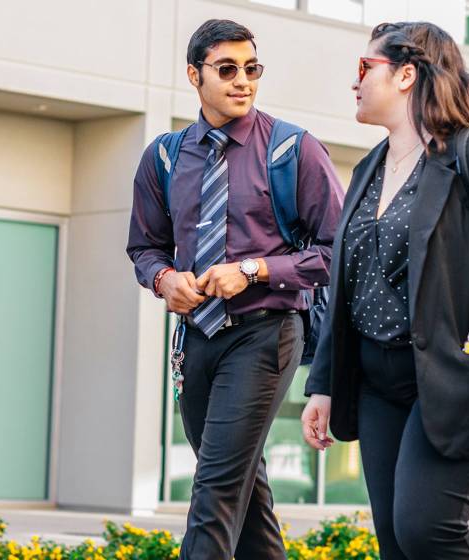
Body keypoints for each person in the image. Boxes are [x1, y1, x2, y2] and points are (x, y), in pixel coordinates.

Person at [301, 21, 469, 559]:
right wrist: (322, 383)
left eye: (365, 68)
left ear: (407, 75)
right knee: (396, 543)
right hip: (376, 383)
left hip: (459, 377)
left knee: (427, 529)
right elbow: (346, 283)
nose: (355, 82)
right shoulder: (370, 166)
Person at [127, 19, 344, 560]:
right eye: (226, 69)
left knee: (217, 488)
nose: (242, 81)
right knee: (241, 488)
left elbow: (337, 252)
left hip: (267, 334)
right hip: (195, 339)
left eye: (252, 69)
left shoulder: (294, 150)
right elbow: (144, 246)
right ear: (193, 76)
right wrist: (163, 278)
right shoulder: (165, 157)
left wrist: (253, 271)